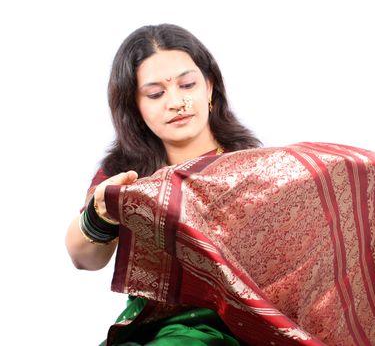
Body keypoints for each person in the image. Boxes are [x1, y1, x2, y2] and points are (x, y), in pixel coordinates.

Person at [66, 23, 260, 345]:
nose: (176, 102)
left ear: (209, 88)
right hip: (144, 327)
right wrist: (101, 215)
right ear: (135, 106)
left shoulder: (253, 168)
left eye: (187, 85)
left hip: (227, 329)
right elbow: (84, 259)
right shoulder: (126, 175)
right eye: (156, 93)